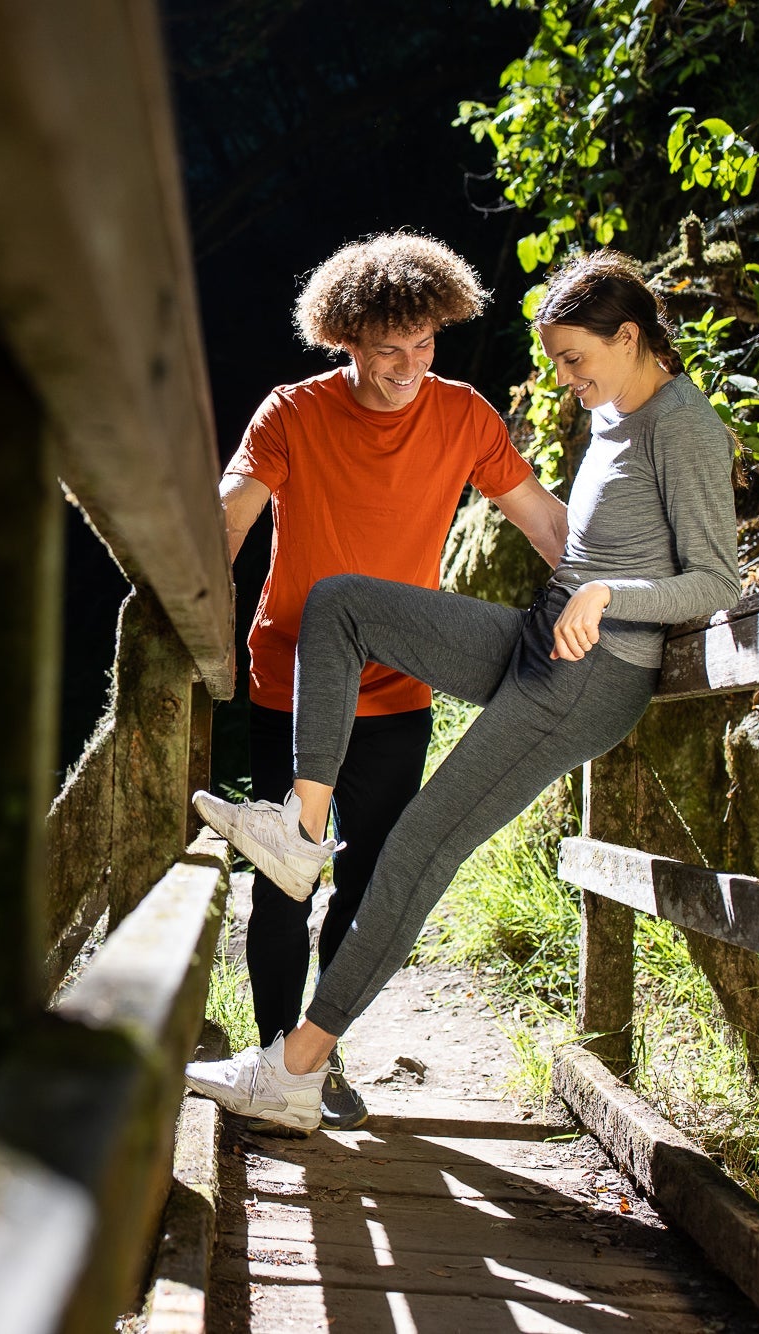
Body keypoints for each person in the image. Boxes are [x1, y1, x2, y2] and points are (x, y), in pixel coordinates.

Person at [187, 249, 742, 1133]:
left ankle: (295, 1071)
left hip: (573, 674)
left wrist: (609, 600)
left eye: (571, 360)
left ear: (627, 336)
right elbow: (574, 539)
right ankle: (297, 841)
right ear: (346, 343)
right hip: (497, 648)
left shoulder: (676, 427)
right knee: (341, 604)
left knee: (404, 855)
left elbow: (708, 576)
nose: (561, 380)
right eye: (386, 348)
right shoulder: (617, 416)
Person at [216, 231, 567, 1130]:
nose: (408, 369)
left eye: (424, 348)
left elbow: (544, 526)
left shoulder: (464, 418)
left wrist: (626, 584)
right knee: (283, 879)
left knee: (367, 883)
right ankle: (270, 1048)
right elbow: (229, 520)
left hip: (398, 690)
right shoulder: (291, 413)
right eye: (386, 351)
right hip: (290, 681)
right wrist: (182, 590)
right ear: (346, 341)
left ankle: (315, 1058)